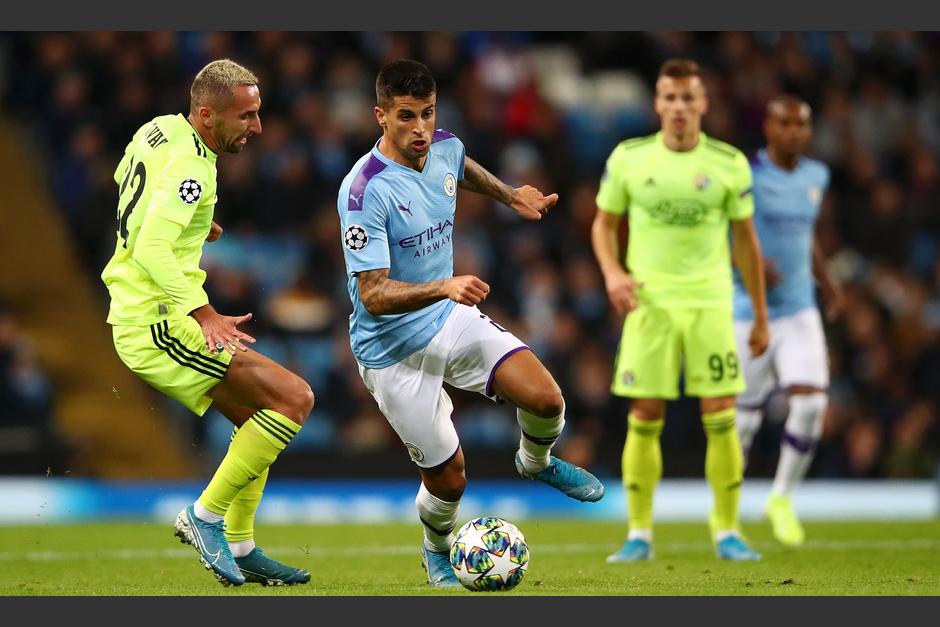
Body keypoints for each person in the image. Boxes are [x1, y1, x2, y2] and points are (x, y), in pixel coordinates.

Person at [336, 59, 604, 587]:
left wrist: (510, 194)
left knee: (547, 398)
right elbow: (372, 296)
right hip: (391, 350)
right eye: (406, 116)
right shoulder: (363, 192)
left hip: (447, 317)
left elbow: (461, 167)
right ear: (380, 117)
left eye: (428, 114)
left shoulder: (445, 147)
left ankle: (536, 461)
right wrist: (444, 285)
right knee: (449, 478)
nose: (420, 129)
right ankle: (436, 548)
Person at [101, 59, 314, 587]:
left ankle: (240, 546)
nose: (257, 128)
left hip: (145, 313)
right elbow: (150, 243)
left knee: (260, 418)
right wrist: (204, 313)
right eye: (245, 117)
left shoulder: (156, 131)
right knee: (294, 399)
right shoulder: (195, 169)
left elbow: (130, 189)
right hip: (157, 324)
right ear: (206, 114)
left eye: (257, 114)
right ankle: (205, 516)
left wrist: (197, 226)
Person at [591, 58, 769, 562]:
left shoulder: (730, 163)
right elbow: (602, 225)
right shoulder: (629, 158)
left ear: (703, 104)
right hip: (650, 302)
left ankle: (727, 531)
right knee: (644, 414)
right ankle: (639, 534)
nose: (678, 107)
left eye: (688, 98)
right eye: (669, 97)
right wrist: (613, 274)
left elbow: (746, 243)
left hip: (711, 301)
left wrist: (759, 315)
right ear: (657, 103)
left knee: (722, 415)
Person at [733, 95, 842, 547]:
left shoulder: (817, 176)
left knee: (813, 403)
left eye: (802, 124)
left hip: (800, 309)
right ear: (769, 129)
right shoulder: (747, 176)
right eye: (786, 124)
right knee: (742, 422)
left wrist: (828, 281)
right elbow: (727, 233)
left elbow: (807, 236)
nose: (795, 132)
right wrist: (746, 267)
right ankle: (727, 508)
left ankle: (781, 499)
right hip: (747, 311)